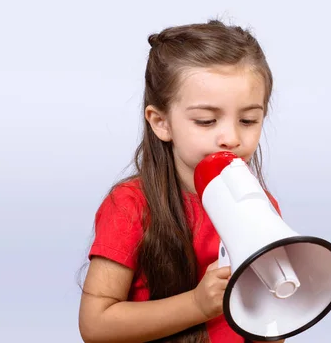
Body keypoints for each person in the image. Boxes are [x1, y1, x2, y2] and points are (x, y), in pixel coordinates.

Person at [78, 19, 285, 343]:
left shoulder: (260, 206)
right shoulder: (131, 205)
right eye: (206, 121)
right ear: (161, 122)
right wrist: (197, 305)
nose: (231, 137)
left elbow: (270, 325)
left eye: (248, 120)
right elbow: (95, 325)